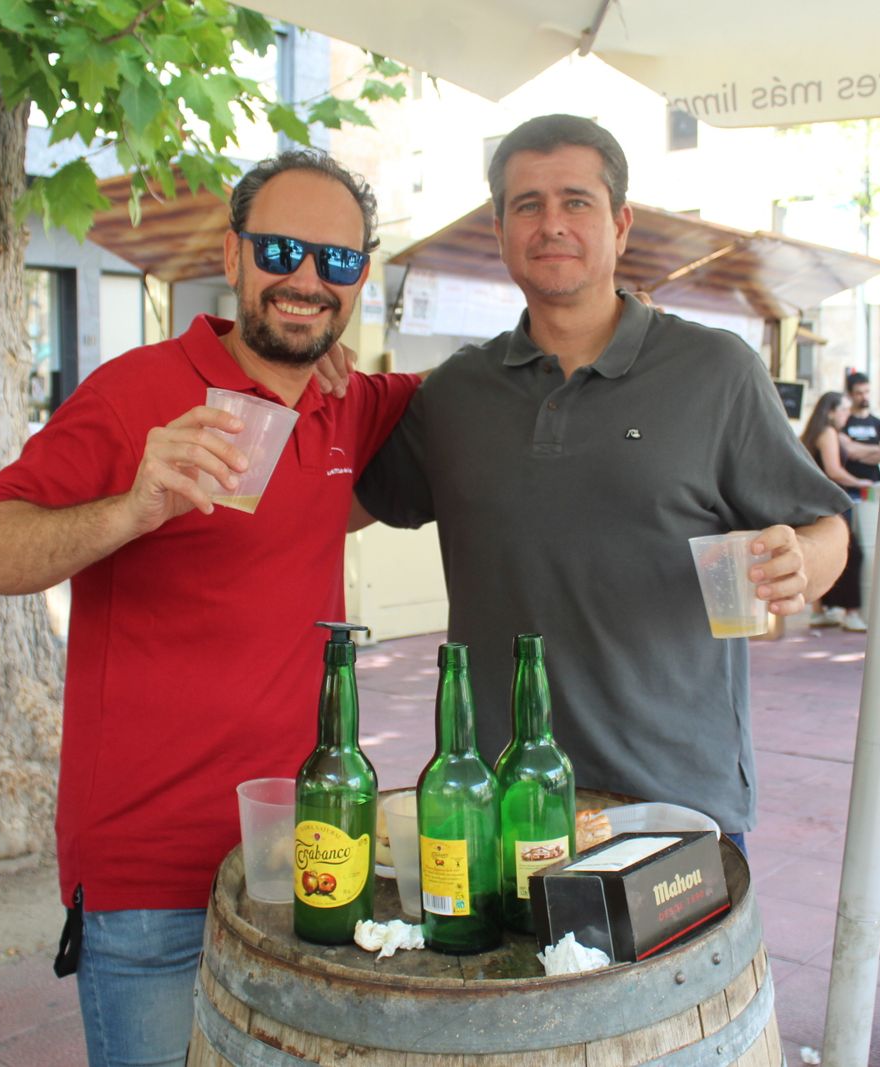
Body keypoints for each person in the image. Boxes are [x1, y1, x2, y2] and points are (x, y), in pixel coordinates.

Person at [0, 150, 419, 1067]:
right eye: (282, 249)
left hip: (302, 854)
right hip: (150, 878)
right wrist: (133, 508)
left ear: (362, 279)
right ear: (235, 256)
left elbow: (491, 403)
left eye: (339, 261)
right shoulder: (137, 393)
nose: (308, 279)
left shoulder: (349, 404)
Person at [352, 114, 852, 852]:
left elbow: (829, 524)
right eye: (528, 205)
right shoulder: (457, 393)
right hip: (501, 805)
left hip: (673, 805)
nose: (552, 223)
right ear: (501, 229)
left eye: (575, 201)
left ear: (620, 223)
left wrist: (804, 561)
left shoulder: (715, 371)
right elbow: (338, 501)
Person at [800, 391, 870, 632]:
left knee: (821, 552)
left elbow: (858, 450)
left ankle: (822, 610)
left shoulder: (825, 433)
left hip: (818, 504)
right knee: (851, 554)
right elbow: (834, 470)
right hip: (831, 504)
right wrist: (861, 482)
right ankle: (851, 612)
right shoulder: (828, 433)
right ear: (830, 411)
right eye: (843, 410)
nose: (847, 415)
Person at [840, 370, 880, 483]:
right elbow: (847, 451)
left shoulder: (879, 424)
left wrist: (857, 453)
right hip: (848, 484)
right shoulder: (843, 421)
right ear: (850, 394)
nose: (864, 397)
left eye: (867, 392)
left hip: (873, 482)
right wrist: (877, 448)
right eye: (859, 393)